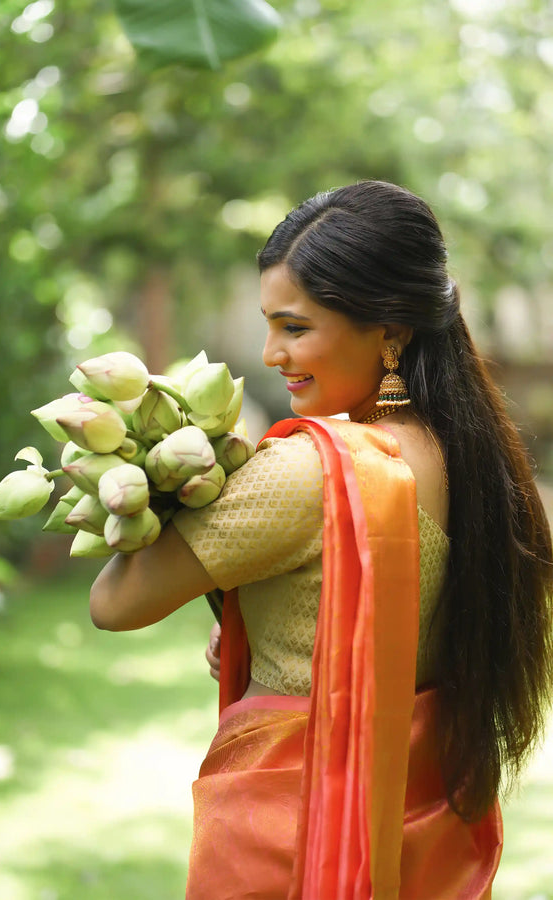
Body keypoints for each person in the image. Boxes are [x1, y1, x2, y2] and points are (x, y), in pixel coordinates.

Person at [90, 181, 553, 899]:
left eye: (295, 327)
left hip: (295, 829)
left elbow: (114, 604)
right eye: (269, 325)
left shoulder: (306, 472)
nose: (272, 353)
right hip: (417, 827)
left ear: (392, 331)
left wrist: (146, 480)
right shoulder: (476, 459)